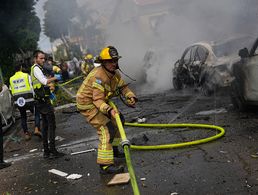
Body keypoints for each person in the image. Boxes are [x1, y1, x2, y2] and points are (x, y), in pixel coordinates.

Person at [76, 46, 137, 174]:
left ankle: (114, 150)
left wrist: (130, 96)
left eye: (115, 60)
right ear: (103, 62)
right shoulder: (98, 76)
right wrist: (109, 111)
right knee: (106, 129)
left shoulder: (115, 73)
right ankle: (104, 165)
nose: (114, 64)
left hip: (101, 101)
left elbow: (123, 87)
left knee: (119, 120)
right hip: (88, 104)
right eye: (110, 61)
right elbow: (97, 100)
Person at [31, 50, 65, 159]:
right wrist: (56, 78)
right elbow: (44, 81)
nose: (43, 60)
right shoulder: (36, 68)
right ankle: (53, 150)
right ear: (35, 58)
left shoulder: (37, 68)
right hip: (43, 102)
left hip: (41, 100)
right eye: (41, 58)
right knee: (51, 125)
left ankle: (46, 151)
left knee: (45, 126)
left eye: (44, 58)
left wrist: (49, 94)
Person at [9, 64, 41, 140]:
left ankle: (26, 133)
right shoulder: (26, 76)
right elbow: (31, 86)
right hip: (29, 99)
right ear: (21, 68)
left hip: (19, 101)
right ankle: (37, 128)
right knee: (36, 112)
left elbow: (11, 90)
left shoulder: (11, 79)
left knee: (23, 116)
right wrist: (34, 97)